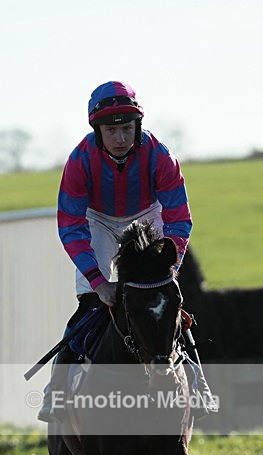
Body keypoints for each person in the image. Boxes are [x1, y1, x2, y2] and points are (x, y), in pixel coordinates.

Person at [38, 80, 212, 423]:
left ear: (138, 126)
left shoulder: (161, 156)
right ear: (98, 131)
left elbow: (178, 218)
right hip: (98, 221)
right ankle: (56, 390)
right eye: (111, 130)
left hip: (148, 217)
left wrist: (171, 265)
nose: (120, 138)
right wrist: (98, 282)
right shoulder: (79, 160)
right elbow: (71, 225)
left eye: (127, 129)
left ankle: (199, 383)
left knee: (164, 299)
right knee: (90, 303)